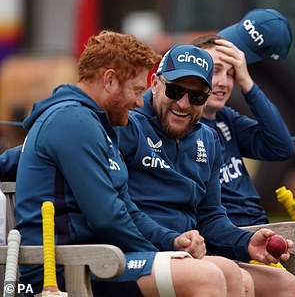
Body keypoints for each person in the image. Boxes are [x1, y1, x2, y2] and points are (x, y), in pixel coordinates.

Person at [13, 31, 243, 297]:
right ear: (109, 80)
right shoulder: (73, 121)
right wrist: (163, 255)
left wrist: (171, 241)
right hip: (67, 267)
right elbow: (107, 217)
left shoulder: (96, 123)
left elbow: (126, 210)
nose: (138, 102)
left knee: (227, 272)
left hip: (101, 256)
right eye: (136, 90)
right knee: (205, 277)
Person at [116, 43, 295, 297]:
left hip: (185, 255)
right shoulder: (126, 123)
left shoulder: (208, 138)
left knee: (284, 284)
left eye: (197, 97)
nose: (183, 103)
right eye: (175, 90)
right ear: (156, 83)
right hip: (136, 252)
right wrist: (170, 239)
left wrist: (246, 242)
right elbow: (114, 209)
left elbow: (211, 217)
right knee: (217, 275)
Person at [193, 8, 295, 227]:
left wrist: (248, 84)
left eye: (231, 74)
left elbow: (282, 147)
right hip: (231, 236)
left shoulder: (226, 118)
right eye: (215, 70)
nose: (224, 82)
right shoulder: (179, 125)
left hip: (257, 227)